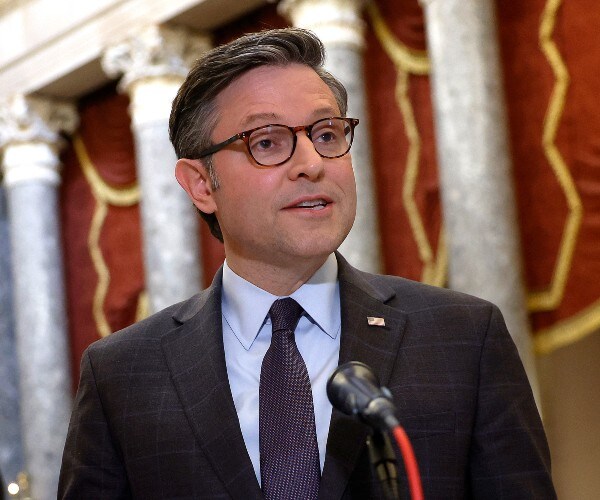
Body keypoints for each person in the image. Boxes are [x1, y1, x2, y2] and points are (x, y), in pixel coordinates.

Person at [59, 28, 556, 499]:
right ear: (201, 184)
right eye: (267, 142)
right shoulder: (123, 376)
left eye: (326, 134)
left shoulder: (462, 337)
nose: (312, 164)